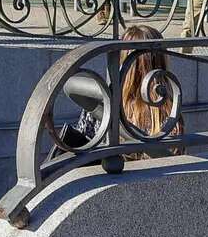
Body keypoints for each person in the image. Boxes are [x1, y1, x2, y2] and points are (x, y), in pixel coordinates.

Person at [65, 25, 184, 158]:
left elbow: (80, 147)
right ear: (161, 63)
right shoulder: (170, 113)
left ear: (122, 59)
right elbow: (175, 162)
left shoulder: (101, 103)